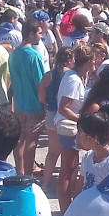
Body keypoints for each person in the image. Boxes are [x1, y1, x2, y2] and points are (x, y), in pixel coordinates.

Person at [54, 45, 95, 214]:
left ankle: (67, 210)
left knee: (71, 171)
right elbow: (64, 107)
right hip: (68, 127)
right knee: (67, 171)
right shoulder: (73, 79)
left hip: (68, 126)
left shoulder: (74, 76)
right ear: (87, 62)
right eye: (93, 61)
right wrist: (82, 121)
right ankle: (65, 212)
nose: (95, 64)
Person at [8, 19, 46, 175]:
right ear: (31, 34)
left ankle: (20, 171)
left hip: (19, 105)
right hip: (34, 105)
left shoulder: (13, 54)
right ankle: (28, 175)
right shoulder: (34, 56)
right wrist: (45, 103)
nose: (41, 36)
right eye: (39, 33)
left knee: (20, 142)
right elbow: (40, 84)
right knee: (31, 143)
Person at [37, 47, 74, 190]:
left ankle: (45, 184)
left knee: (52, 153)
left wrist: (47, 103)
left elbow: (41, 98)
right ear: (70, 60)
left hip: (51, 114)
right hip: (66, 116)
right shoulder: (71, 75)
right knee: (67, 153)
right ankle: (66, 184)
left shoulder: (48, 76)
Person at [77, 111, 109, 191]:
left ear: (95, 136)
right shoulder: (87, 156)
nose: (79, 136)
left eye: (81, 132)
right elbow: (81, 184)